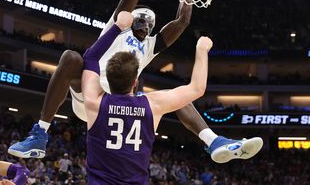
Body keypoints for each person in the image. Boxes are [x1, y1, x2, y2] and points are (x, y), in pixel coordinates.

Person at [8, 0, 262, 163]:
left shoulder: (151, 45)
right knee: (71, 58)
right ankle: (40, 132)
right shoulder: (117, 26)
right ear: (132, 17)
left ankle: (213, 140)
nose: (146, 23)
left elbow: (182, 21)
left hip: (121, 104)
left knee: (179, 96)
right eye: (142, 17)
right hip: (91, 97)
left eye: (150, 21)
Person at [81, 11, 262, 183]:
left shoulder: (94, 102)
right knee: (180, 100)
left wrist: (117, 27)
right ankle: (213, 140)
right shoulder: (152, 105)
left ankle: (214, 140)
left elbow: (90, 57)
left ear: (107, 80)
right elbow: (197, 89)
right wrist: (201, 50)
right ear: (135, 82)